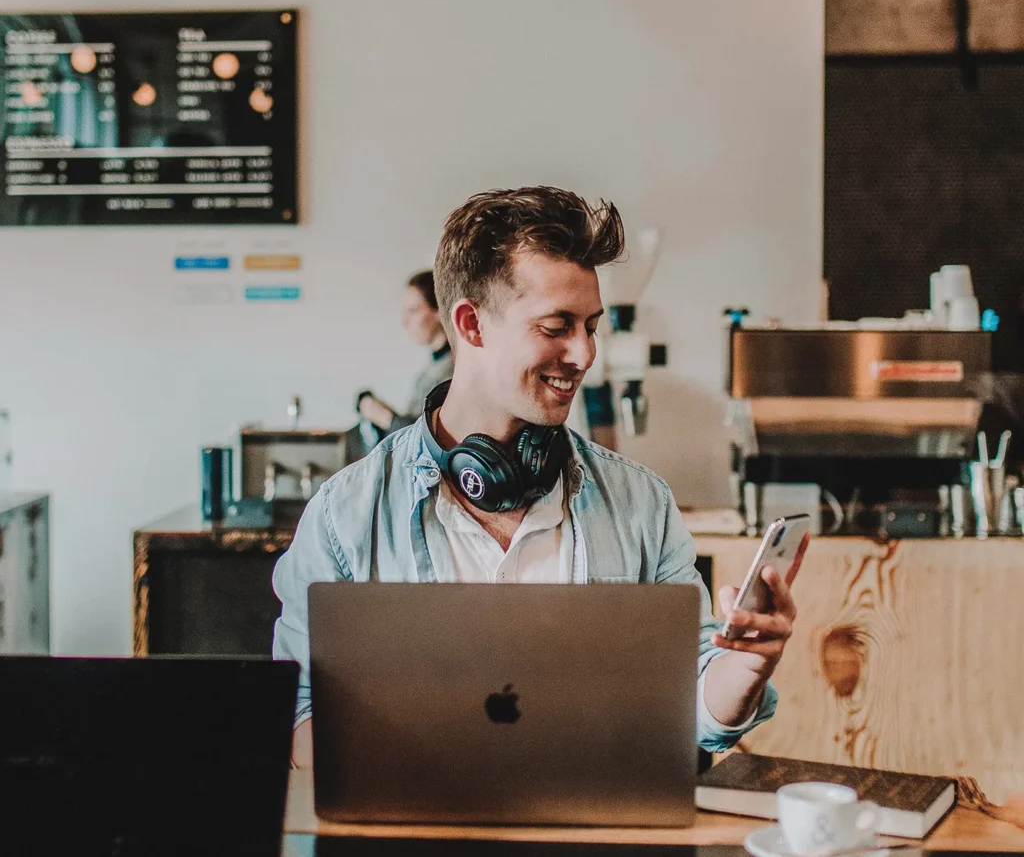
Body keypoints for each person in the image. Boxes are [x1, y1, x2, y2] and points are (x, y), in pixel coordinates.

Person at [273, 186, 797, 769]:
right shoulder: (344, 515)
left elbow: (693, 705)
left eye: (591, 327)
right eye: (556, 327)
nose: (583, 354)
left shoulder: (641, 503)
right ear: (471, 325)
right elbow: (297, 713)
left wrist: (744, 668)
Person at [356, 270, 454, 438]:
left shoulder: (454, 370)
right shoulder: (433, 367)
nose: (405, 321)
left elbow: (430, 440)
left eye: (413, 310)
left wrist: (384, 417)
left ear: (439, 310)